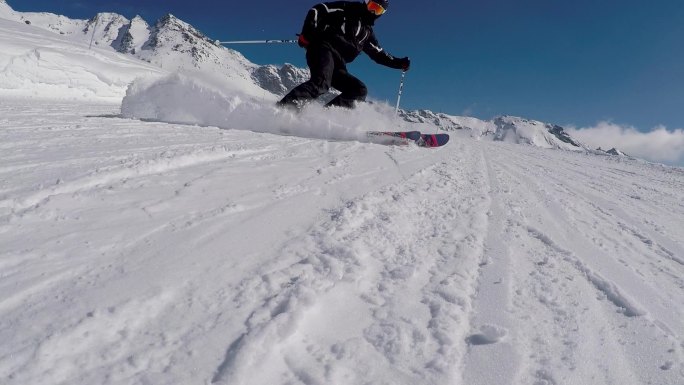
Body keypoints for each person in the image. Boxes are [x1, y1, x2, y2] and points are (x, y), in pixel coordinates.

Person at [277, 0, 410, 110]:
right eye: (372, 6)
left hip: (339, 63)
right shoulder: (348, 9)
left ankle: (323, 119)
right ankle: (283, 110)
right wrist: (307, 32)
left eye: (378, 9)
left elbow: (379, 54)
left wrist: (399, 63)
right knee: (322, 82)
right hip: (323, 48)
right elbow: (318, 9)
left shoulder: (367, 34)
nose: (372, 12)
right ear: (366, 2)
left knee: (358, 90)